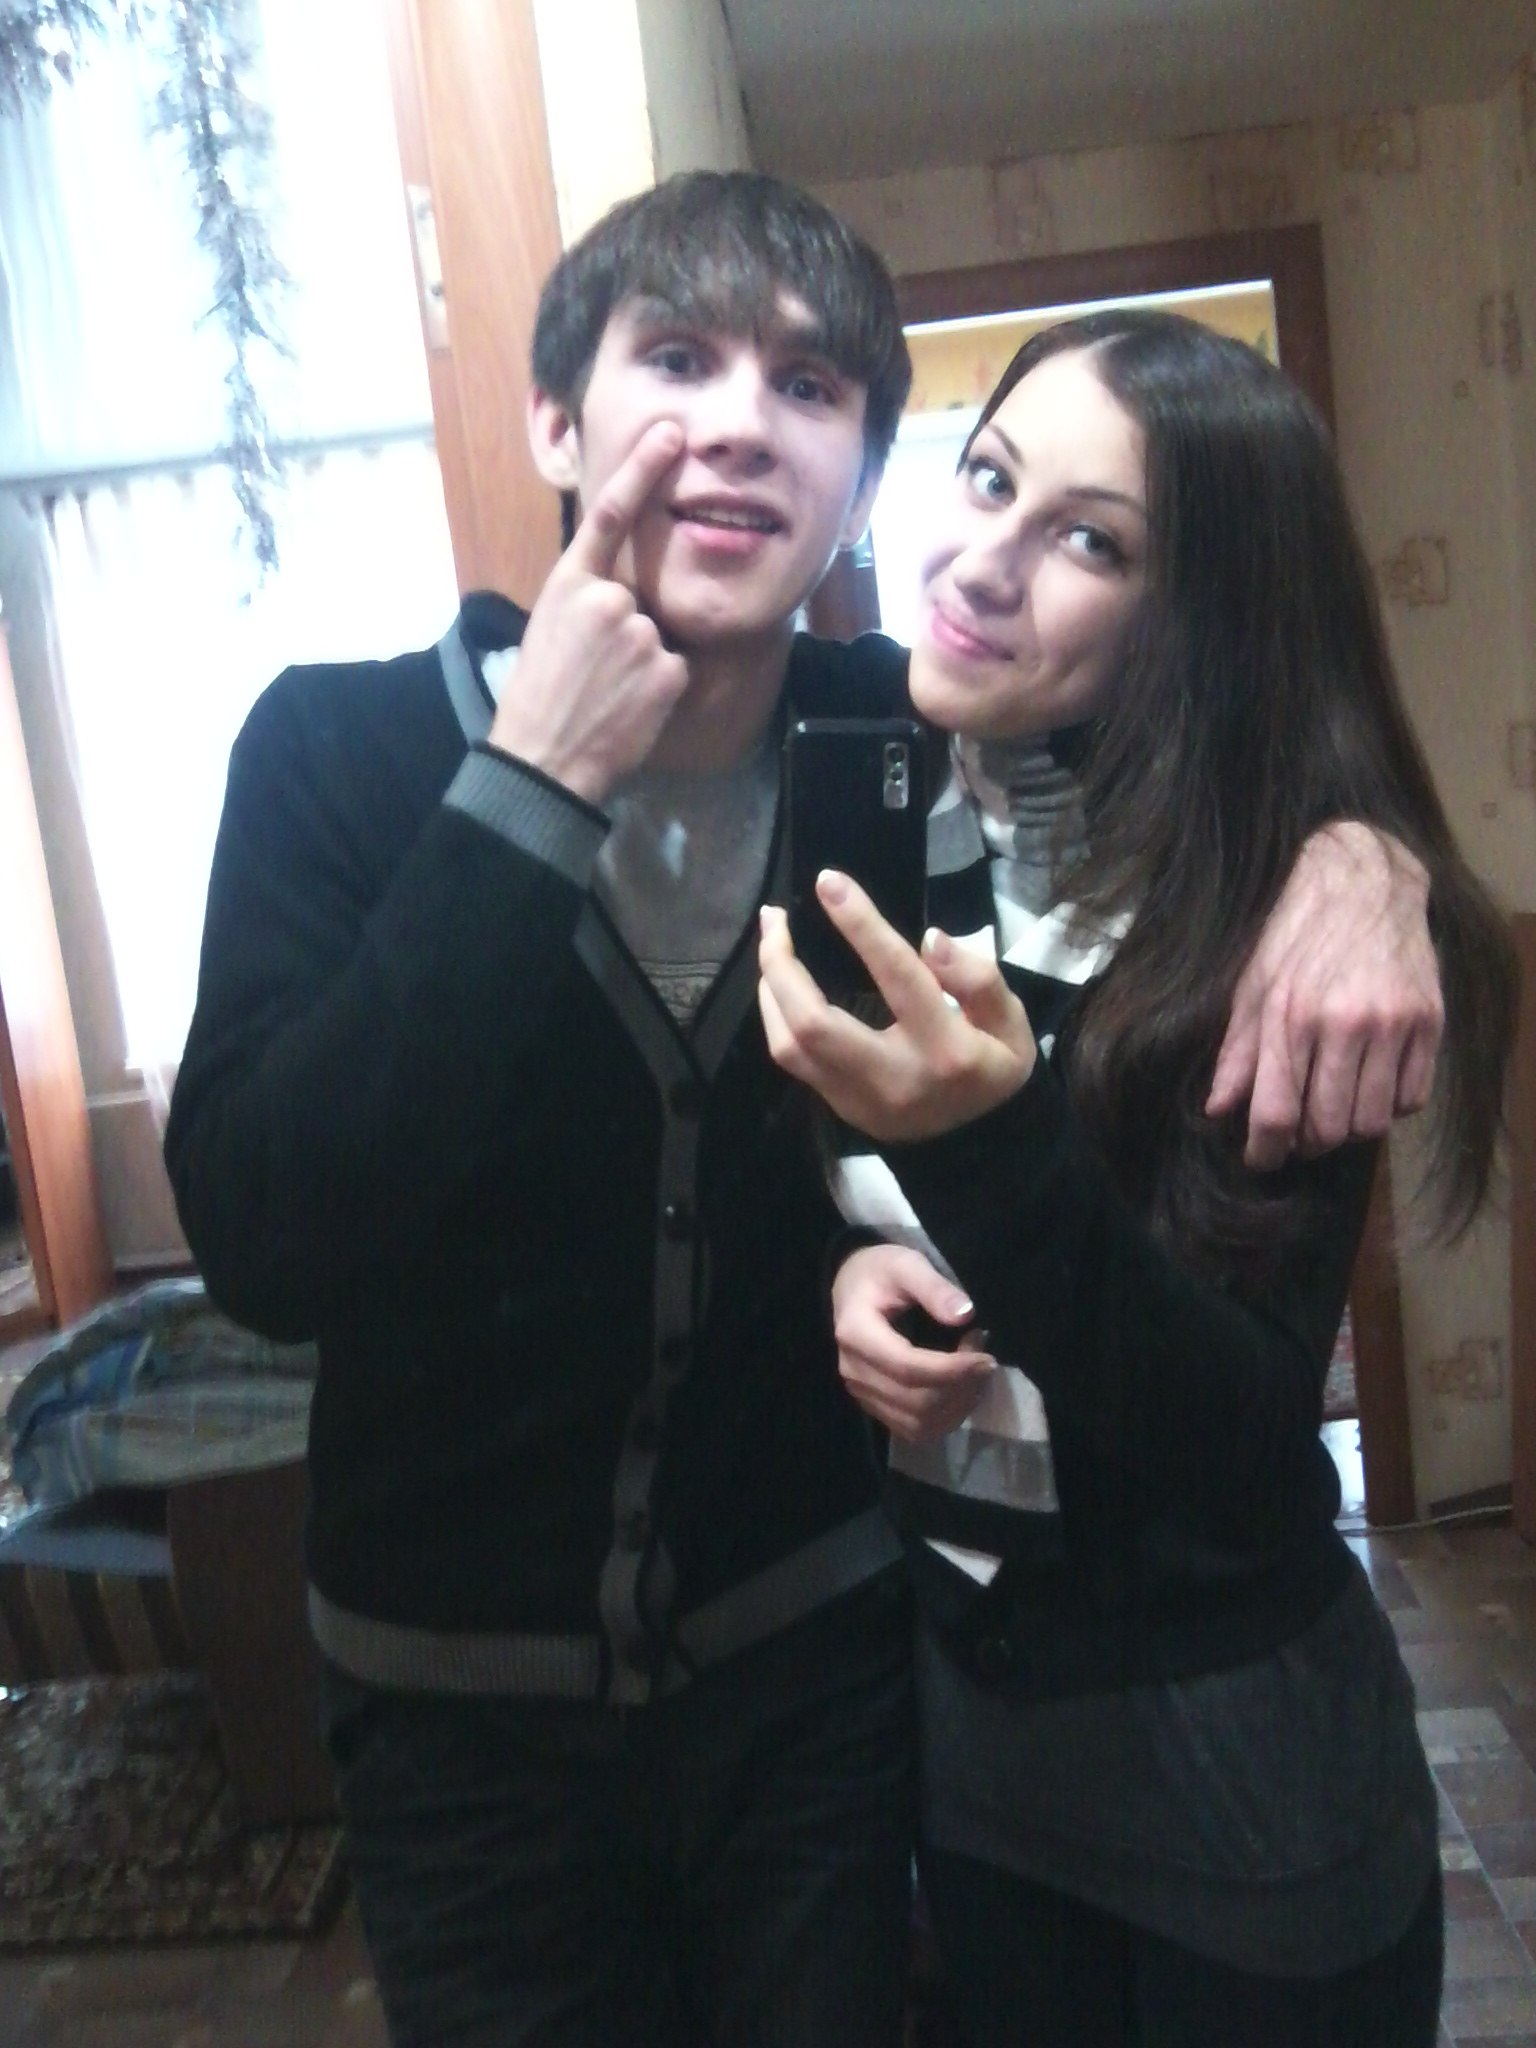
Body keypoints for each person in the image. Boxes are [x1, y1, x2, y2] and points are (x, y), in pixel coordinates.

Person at [165, 172, 1443, 2048]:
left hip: (820, 1699)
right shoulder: (336, 751)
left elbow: (1228, 706)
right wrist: (534, 780)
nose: (744, 422)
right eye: (678, 359)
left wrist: (1370, 863)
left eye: (813, 386)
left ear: (857, 488)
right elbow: (267, 1240)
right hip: (457, 1728)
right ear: (557, 421)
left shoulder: (901, 750)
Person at [757, 309, 1519, 2047]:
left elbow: (1236, 1438)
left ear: (1201, 611)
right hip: (970, 1759)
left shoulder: (1275, 925)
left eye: (1092, 541)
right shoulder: (868, 798)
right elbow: (792, 1181)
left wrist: (1371, 854)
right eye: (989, 481)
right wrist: (841, 1278)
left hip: (1234, 1785)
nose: (985, 561)